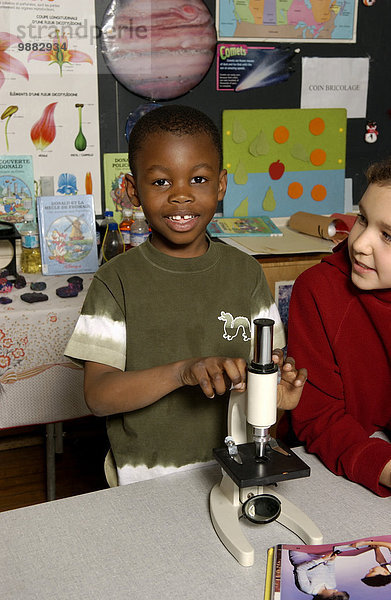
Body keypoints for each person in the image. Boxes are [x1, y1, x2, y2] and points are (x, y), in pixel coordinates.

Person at [65, 104, 307, 486]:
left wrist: (277, 391)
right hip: (146, 477)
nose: (181, 196)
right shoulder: (116, 281)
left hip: (237, 470)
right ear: (132, 191)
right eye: (161, 182)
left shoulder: (246, 273)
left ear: (221, 185)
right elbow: (98, 396)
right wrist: (182, 372)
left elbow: (268, 365)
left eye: (198, 179)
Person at [279, 157, 391, 496]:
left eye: (388, 235)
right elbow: (319, 418)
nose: (359, 244)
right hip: (348, 474)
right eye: (362, 219)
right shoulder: (319, 289)